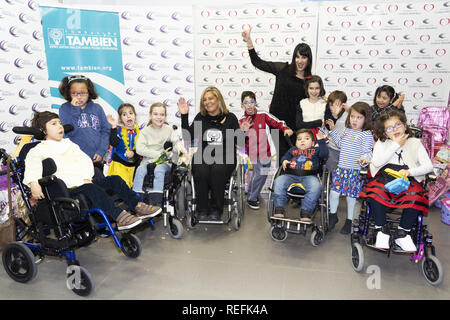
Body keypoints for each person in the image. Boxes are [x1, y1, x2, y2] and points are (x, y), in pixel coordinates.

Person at [23, 112, 161, 231]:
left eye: (59, 123)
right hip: (67, 190)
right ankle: (120, 217)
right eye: (53, 124)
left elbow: (85, 161)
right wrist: (33, 183)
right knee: (91, 188)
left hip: (85, 182)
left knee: (114, 179)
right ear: (43, 130)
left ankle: (138, 206)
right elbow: (32, 166)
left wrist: (86, 177)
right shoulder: (38, 150)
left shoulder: (69, 144)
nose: (59, 126)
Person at [359, 110, 433, 252]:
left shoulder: (415, 143)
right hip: (384, 177)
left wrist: (410, 172)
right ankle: (381, 230)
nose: (395, 130)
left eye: (398, 125)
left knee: (416, 195)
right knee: (376, 193)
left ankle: (402, 233)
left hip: (407, 178)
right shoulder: (382, 143)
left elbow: (428, 166)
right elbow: (377, 162)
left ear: (405, 126)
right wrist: (395, 144)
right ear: (385, 132)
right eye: (389, 128)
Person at [242, 26, 313, 164]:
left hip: (295, 127)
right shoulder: (283, 69)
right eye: (297, 56)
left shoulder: (309, 81)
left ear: (308, 59)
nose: (300, 61)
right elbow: (258, 62)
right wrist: (249, 41)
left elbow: (314, 99)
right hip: (276, 123)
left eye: (303, 57)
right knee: (280, 160)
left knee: (295, 161)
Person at [178, 86, 244, 220]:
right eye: (204, 100)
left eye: (210, 98)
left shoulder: (231, 118)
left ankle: (216, 209)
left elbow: (240, 141)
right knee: (201, 171)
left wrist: (243, 132)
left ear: (218, 99)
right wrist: (184, 116)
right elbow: (187, 137)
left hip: (226, 155)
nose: (207, 102)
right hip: (204, 154)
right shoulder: (201, 117)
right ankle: (202, 209)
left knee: (217, 170)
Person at [238, 91, 294, 210]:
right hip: (252, 152)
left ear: (255, 103)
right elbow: (239, 140)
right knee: (260, 174)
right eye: (246, 103)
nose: (249, 105)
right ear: (242, 105)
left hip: (266, 151)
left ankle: (251, 194)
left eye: (252, 102)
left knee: (259, 174)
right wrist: (243, 131)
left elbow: (277, 122)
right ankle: (252, 198)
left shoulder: (263, 114)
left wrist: (285, 128)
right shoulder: (241, 120)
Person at [326, 102, 374, 234]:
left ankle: (349, 221)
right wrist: (333, 130)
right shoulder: (347, 130)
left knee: (350, 197)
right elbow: (341, 144)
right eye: (352, 116)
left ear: (366, 119)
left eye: (359, 118)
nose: (354, 120)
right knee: (334, 193)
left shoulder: (366, 134)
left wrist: (365, 159)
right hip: (341, 169)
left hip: (354, 171)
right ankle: (333, 216)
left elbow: (368, 151)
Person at [272, 129, 328, 222]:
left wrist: (321, 141)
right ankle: (279, 208)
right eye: (299, 139)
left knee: (316, 186)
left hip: (309, 176)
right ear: (296, 142)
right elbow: (285, 157)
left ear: (313, 143)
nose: (302, 141)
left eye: (306, 138)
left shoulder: (316, 150)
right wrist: (284, 160)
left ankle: (306, 211)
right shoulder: (292, 150)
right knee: (278, 181)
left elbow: (324, 154)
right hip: (290, 175)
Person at [58, 75, 110, 173]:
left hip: (97, 158)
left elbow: (105, 131)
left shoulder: (97, 108)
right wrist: (75, 109)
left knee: (99, 183)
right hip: (77, 159)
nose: (79, 97)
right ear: (68, 93)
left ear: (89, 92)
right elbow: (71, 132)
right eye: (74, 93)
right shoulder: (64, 109)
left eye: (82, 93)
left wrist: (101, 151)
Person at [132, 103, 179, 210]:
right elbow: (139, 149)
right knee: (140, 170)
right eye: (156, 114)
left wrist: (177, 149)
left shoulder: (169, 129)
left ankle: (156, 202)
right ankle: (137, 201)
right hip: (148, 161)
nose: (159, 117)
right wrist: (159, 154)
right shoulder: (145, 132)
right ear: (150, 116)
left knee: (159, 170)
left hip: (164, 162)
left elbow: (176, 142)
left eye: (162, 114)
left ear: (165, 117)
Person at [106, 103, 140, 188]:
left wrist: (134, 153)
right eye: (124, 114)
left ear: (135, 115)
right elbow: (113, 143)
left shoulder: (141, 132)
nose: (128, 116)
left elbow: (143, 148)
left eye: (130, 113)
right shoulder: (117, 130)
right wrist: (113, 126)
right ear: (121, 119)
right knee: (120, 188)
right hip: (119, 165)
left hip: (135, 166)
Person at [323, 90, 348, 171]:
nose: (333, 108)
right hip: (332, 149)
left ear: (343, 105)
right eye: (331, 105)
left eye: (337, 105)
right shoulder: (332, 115)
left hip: (341, 151)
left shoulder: (347, 118)